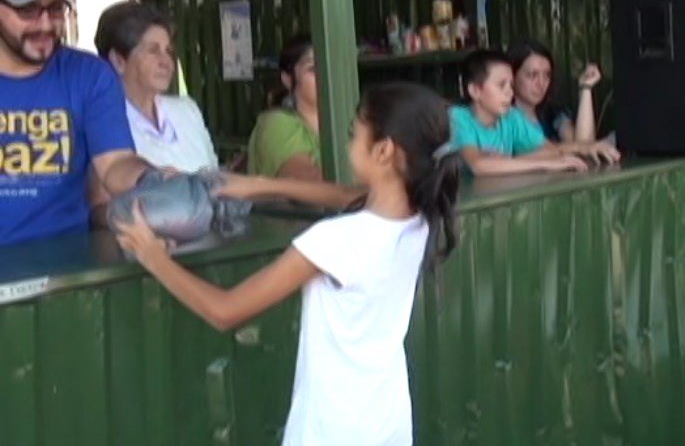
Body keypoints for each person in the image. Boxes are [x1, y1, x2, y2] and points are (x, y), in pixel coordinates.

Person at [114, 82, 460, 445]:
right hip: (386, 421)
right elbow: (347, 195)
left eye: (353, 133)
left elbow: (225, 310)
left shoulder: (336, 240)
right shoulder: (419, 217)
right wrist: (260, 185)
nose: (347, 144)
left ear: (384, 151)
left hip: (331, 429)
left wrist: (153, 257)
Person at [0, 0, 153, 246]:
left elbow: (115, 165)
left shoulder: (90, 76)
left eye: (55, 9)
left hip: (66, 270)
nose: (45, 24)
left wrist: (153, 179)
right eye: (27, 10)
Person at [448, 49, 619, 176]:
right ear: (475, 91)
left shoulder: (510, 117)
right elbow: (478, 165)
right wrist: (544, 164)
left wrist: (586, 148)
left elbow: (551, 151)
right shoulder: (458, 118)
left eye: (511, 85)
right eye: (501, 85)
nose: (510, 92)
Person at [94, 1, 218, 172]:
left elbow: (214, 177)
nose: (166, 62)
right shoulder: (102, 124)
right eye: (153, 51)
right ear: (119, 61)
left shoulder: (187, 111)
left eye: (168, 51)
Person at [247, 34, 322, 180]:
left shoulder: (352, 123)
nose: (325, 74)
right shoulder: (277, 123)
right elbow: (304, 180)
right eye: (313, 69)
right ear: (288, 79)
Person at [507, 40, 603, 143]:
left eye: (547, 75)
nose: (541, 83)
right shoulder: (503, 119)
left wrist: (586, 88)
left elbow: (585, 147)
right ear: (512, 75)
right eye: (532, 75)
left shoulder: (553, 113)